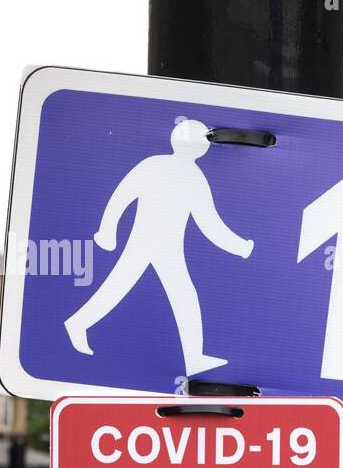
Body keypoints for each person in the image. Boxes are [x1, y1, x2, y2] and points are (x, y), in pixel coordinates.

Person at [64, 118, 254, 376]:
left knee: (131, 287)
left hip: (158, 245)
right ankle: (193, 357)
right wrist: (241, 247)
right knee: (178, 294)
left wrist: (107, 231)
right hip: (157, 245)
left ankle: (78, 323)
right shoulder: (190, 176)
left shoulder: (155, 165)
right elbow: (210, 224)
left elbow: (120, 198)